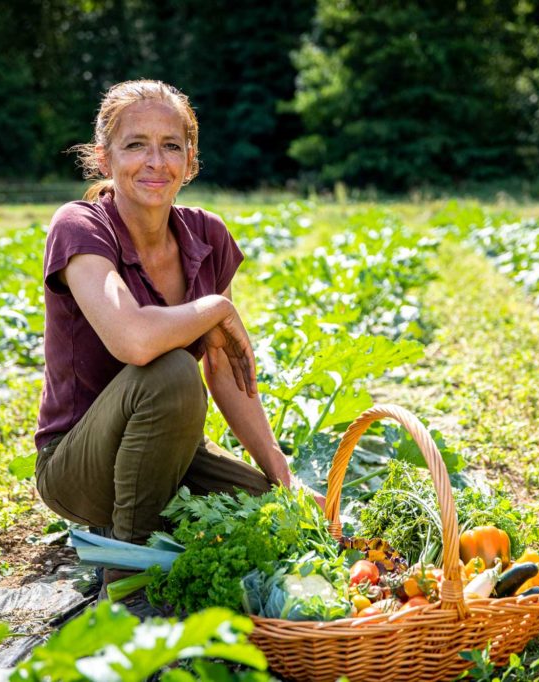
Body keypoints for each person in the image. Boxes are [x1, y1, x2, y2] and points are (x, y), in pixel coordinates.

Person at [33, 80, 323, 596]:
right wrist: (215, 308)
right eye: (135, 144)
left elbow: (226, 373)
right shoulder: (80, 226)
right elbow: (134, 341)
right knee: (171, 370)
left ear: (190, 161)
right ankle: (128, 571)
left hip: (170, 456)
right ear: (103, 157)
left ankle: (150, 525)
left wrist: (285, 478)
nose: (155, 161)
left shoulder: (207, 235)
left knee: (276, 515)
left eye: (171, 145)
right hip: (79, 466)